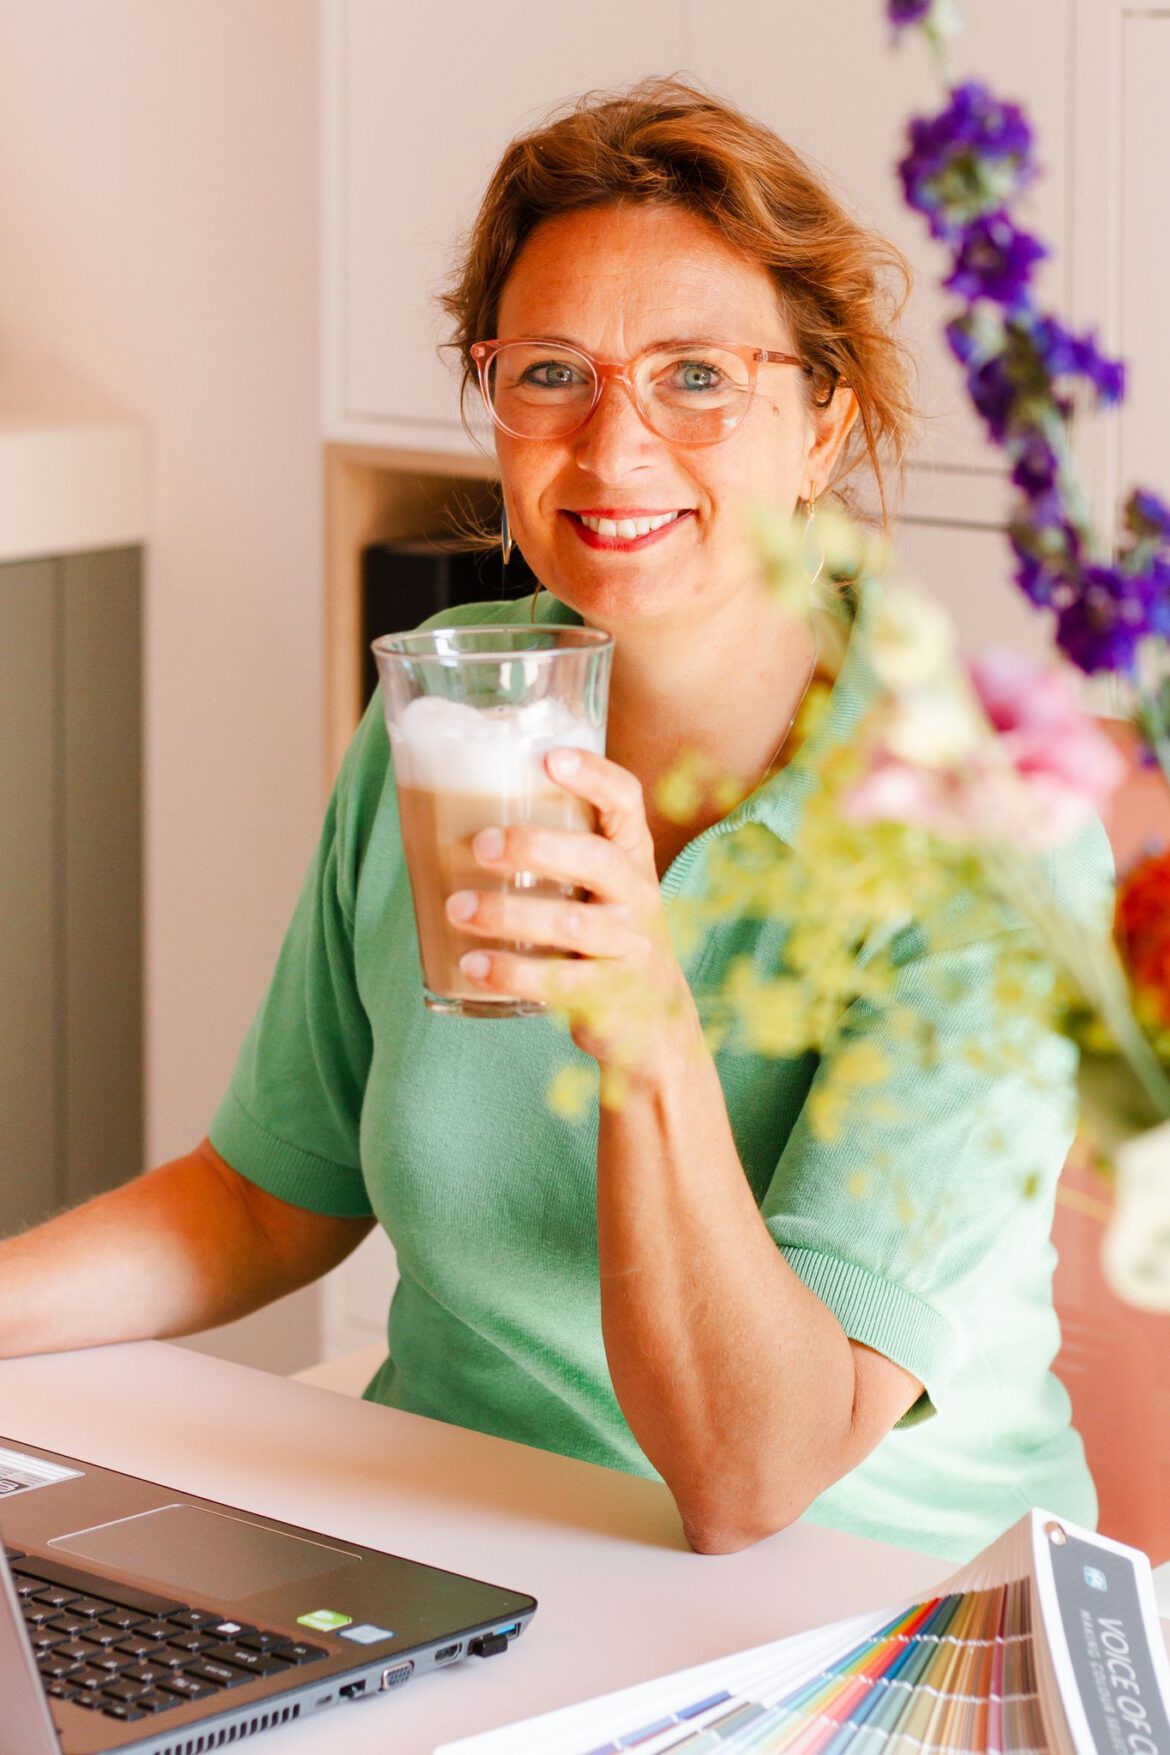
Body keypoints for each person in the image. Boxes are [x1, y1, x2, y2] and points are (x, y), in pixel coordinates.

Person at [0, 79, 1109, 1562]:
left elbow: (751, 1478)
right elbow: (266, 1203)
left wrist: (645, 1032)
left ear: (822, 421)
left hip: (870, 1616)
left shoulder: (977, 830)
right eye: (549, 374)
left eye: (698, 376)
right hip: (461, 1557)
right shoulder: (456, 720)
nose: (614, 446)